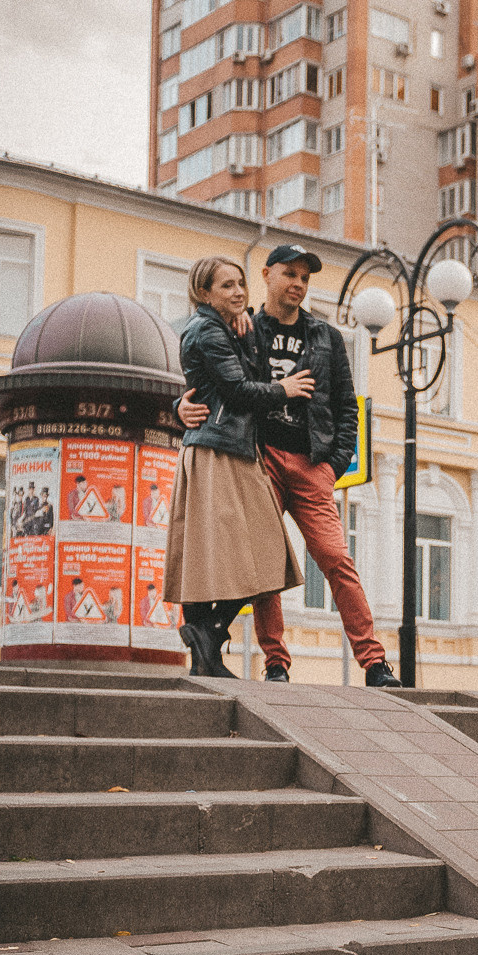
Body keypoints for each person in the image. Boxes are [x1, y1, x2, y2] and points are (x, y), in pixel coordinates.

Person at [169, 255, 302, 677]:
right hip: (220, 450)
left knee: (215, 554)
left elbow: (218, 385)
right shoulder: (207, 330)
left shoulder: (222, 328)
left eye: (241, 284)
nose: (239, 292)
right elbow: (241, 390)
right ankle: (208, 637)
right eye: (227, 286)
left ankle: (204, 652)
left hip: (225, 446)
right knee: (264, 554)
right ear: (204, 293)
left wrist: (244, 334)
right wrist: (285, 388)